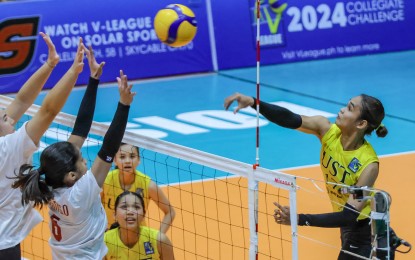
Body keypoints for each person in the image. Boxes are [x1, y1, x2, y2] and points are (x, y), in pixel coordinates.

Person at [224, 92, 388, 260]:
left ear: (361, 123)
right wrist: (253, 102)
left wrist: (298, 219)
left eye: (349, 109)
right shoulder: (326, 130)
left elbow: (349, 216)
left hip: (363, 230)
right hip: (344, 224)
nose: (341, 110)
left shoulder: (368, 165)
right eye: (346, 105)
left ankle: (387, 242)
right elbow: (289, 118)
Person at [11, 68, 135, 259]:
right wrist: (124, 105)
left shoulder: (51, 181)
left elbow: (81, 128)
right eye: (82, 161)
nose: (85, 160)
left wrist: (93, 80)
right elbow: (109, 149)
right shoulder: (80, 194)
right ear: (71, 175)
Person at [0, 32, 85, 259]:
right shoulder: (9, 148)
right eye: (4, 118)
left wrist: (49, 65)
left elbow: (21, 101)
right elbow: (48, 111)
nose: (9, 118)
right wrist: (73, 72)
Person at [102, 143, 176, 233]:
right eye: (122, 157)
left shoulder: (148, 185)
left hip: (138, 237)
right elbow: (91, 208)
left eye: (132, 156)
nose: (127, 161)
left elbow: (170, 212)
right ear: (114, 160)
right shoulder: (104, 181)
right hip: (110, 237)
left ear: (139, 160)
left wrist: (158, 238)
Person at [104, 191, 174, 260]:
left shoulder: (160, 241)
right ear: (114, 215)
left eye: (136, 207)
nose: (130, 211)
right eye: (124, 206)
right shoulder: (103, 242)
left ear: (144, 215)